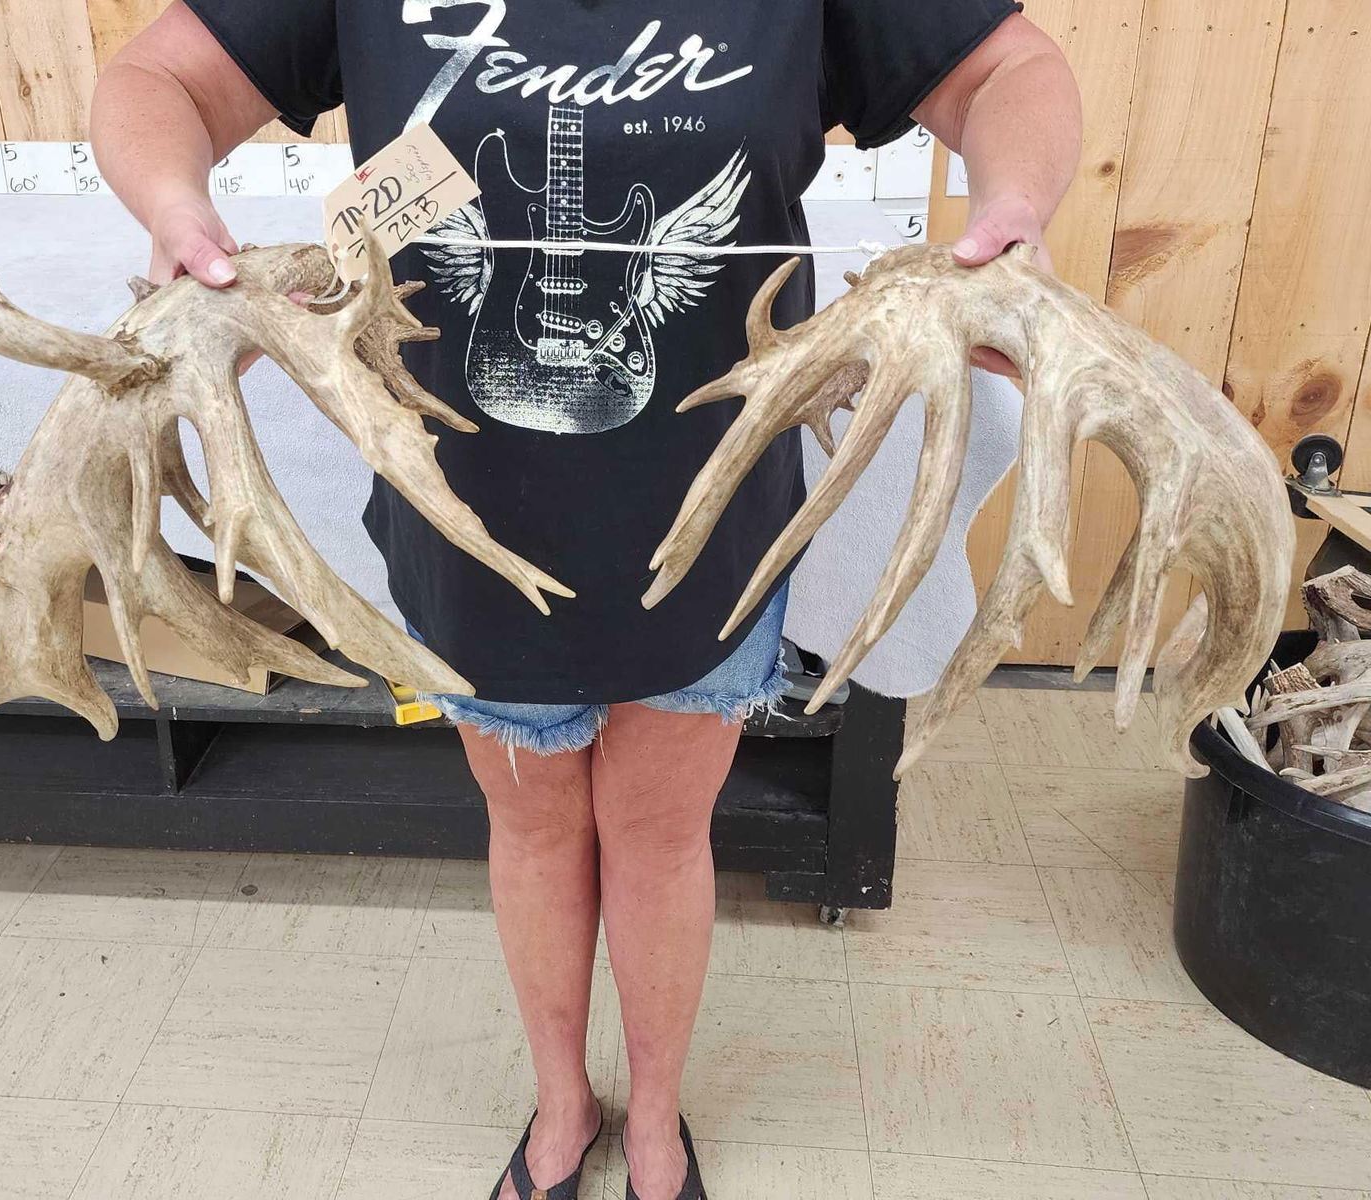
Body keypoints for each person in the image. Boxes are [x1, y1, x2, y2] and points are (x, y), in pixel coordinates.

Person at [92, 4, 1080, 1196]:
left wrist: (1012, 205)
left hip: (704, 511)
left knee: (662, 836)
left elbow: (1005, 68)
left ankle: (655, 1116)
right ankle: (561, 1104)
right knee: (532, 828)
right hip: (469, 509)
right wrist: (177, 211)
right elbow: (162, 78)